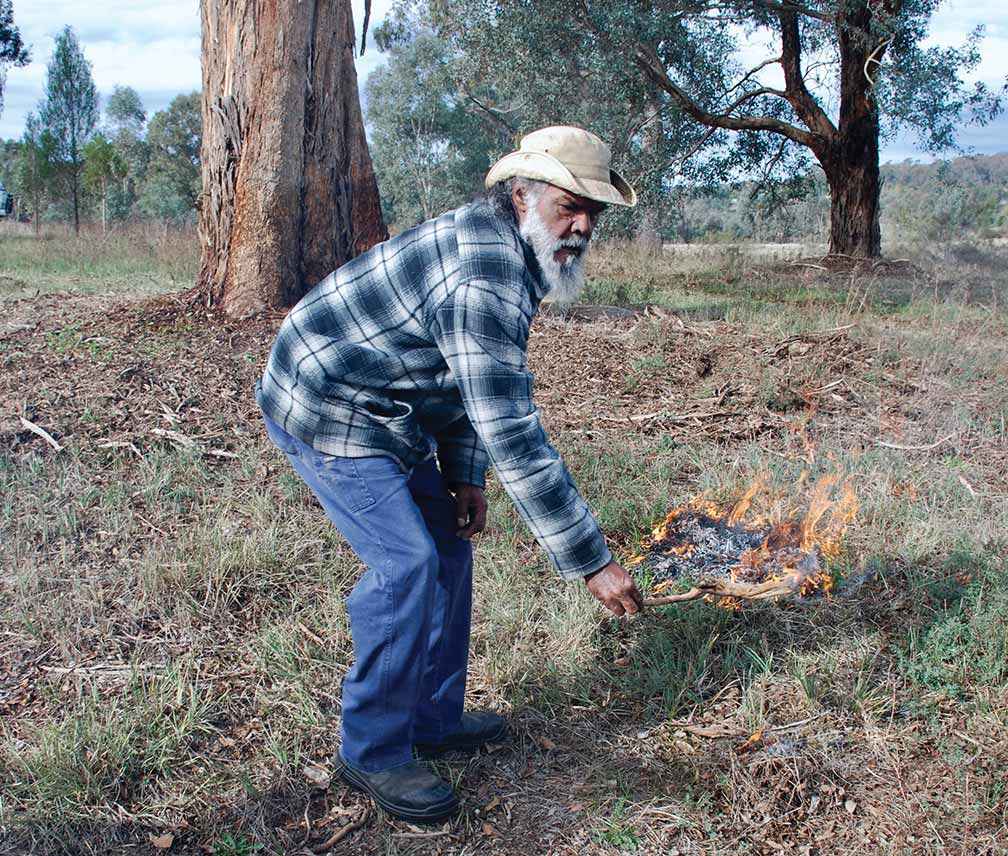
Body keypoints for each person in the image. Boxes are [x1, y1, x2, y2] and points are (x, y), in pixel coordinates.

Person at [256, 126, 644, 823]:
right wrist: (591, 560)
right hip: (327, 404)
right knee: (406, 563)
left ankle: (433, 720)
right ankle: (372, 750)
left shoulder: (514, 252)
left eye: (595, 212)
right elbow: (514, 434)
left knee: (449, 542)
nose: (583, 225)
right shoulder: (483, 275)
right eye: (569, 206)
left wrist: (464, 474)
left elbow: (460, 377)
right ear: (521, 195)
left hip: (391, 405)